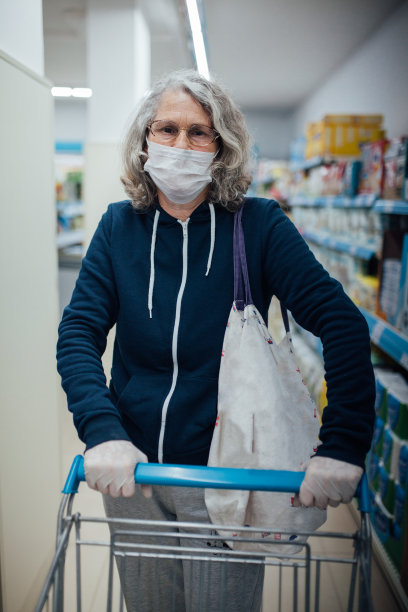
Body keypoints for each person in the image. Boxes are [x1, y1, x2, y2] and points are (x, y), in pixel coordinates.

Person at [57, 69, 375, 611]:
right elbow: (79, 332)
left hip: (227, 473)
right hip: (136, 473)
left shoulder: (259, 226)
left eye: (199, 133)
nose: (181, 145)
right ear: (144, 141)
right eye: (167, 129)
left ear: (222, 148)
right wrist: (103, 431)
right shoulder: (117, 227)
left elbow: (341, 323)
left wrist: (342, 445)